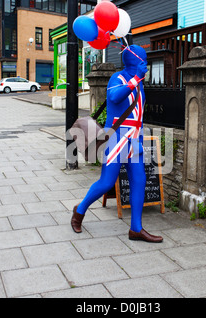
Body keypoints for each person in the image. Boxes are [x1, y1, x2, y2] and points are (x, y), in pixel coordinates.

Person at [71, 45, 163, 243]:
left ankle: (136, 229)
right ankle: (79, 212)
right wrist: (136, 79)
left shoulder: (139, 84)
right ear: (134, 61)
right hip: (116, 138)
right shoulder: (118, 78)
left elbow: (139, 114)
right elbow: (113, 97)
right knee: (106, 183)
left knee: (139, 181)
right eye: (143, 60)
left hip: (134, 140)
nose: (146, 64)